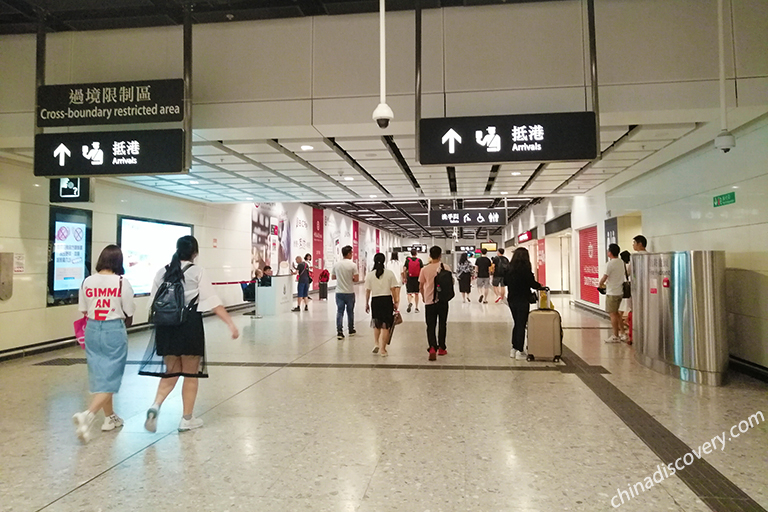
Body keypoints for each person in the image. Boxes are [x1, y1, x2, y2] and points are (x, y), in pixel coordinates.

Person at [141, 235, 239, 433]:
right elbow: (212, 301)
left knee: (171, 371)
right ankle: (187, 419)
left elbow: (152, 302)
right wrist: (230, 323)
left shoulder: (163, 271)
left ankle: (156, 405)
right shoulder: (197, 271)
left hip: (166, 328)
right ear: (195, 253)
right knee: (190, 374)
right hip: (189, 326)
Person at [73, 245, 135, 443]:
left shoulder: (87, 281)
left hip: (91, 329)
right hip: (113, 329)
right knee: (112, 376)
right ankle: (89, 415)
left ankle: (109, 418)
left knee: (100, 373)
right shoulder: (120, 282)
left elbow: (83, 309)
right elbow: (129, 310)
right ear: (118, 261)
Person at [505, 247, 543, 360]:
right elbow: (532, 284)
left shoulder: (509, 269)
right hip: (523, 299)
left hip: (512, 299)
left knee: (517, 323)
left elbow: (505, 282)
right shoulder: (526, 270)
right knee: (521, 324)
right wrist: (540, 286)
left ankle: (514, 348)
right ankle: (520, 350)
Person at [365, 253, 400, 356]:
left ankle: (376, 343)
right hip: (386, 300)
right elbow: (393, 288)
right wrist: (396, 301)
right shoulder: (389, 274)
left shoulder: (370, 275)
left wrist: (366, 303)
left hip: (375, 300)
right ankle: (383, 350)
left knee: (377, 323)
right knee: (386, 326)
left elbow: (367, 290)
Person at [419, 245, 451, 361]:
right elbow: (450, 283)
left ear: (429, 256)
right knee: (443, 324)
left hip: (429, 300)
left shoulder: (424, 269)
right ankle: (442, 348)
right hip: (443, 300)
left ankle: (432, 347)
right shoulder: (445, 267)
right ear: (440, 255)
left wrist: (423, 297)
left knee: (430, 325)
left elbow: (421, 286)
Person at [598, 243, 627, 343]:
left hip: (612, 292)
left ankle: (615, 335)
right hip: (620, 291)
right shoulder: (621, 262)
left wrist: (600, 284)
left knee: (613, 315)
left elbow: (605, 277)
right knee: (617, 314)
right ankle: (623, 333)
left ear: (610, 252)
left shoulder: (610, 264)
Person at [332, 245, 359, 340]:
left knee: (340, 312)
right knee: (350, 311)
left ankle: (339, 331)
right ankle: (351, 329)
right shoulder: (353, 265)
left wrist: (341, 278)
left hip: (339, 292)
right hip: (349, 292)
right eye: (351, 253)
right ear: (348, 254)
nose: (352, 254)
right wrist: (350, 278)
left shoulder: (337, 264)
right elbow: (356, 279)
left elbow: (333, 277)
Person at [403, 249, 423, 313]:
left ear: (411, 253)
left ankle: (410, 302)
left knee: (409, 293)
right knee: (416, 294)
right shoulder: (419, 260)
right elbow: (422, 270)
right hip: (417, 278)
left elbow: (404, 270)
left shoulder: (407, 260)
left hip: (410, 278)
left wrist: (405, 278)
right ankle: (416, 308)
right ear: (416, 253)